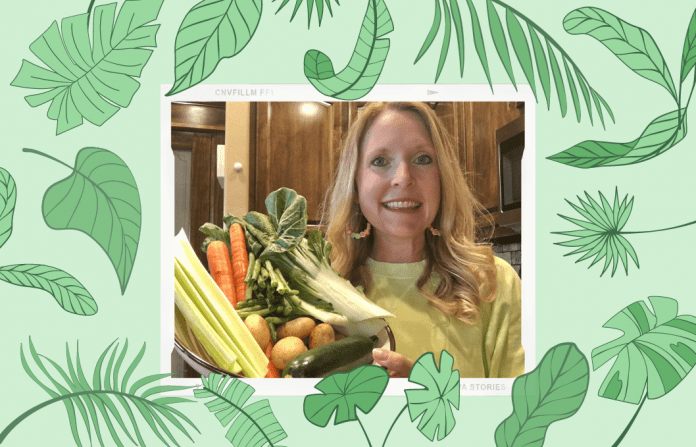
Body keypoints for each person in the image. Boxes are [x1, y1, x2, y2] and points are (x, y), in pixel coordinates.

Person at [322, 102, 524, 378]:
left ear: (442, 178)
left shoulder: (494, 283)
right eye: (380, 161)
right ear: (355, 184)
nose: (403, 178)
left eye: (422, 159)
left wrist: (429, 395)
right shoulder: (323, 293)